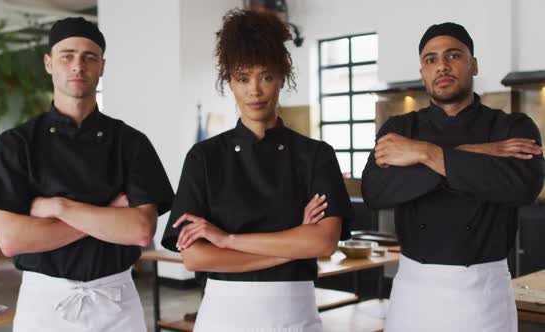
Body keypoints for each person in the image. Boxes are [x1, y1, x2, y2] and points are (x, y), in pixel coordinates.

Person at [0, 17, 174, 332]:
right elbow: (12, 239)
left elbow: (139, 230)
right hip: (45, 306)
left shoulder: (130, 142)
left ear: (102, 66)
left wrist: (58, 207)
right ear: (49, 63)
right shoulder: (16, 144)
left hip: (116, 303)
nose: (77, 65)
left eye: (89, 57)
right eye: (67, 56)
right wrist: (108, 215)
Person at [161, 9, 353, 332]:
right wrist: (290, 247)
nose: (255, 90)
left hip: (294, 314)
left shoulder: (315, 155)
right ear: (228, 82)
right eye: (242, 78)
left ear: (282, 76)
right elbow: (195, 258)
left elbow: (322, 243)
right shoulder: (203, 158)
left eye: (266, 76)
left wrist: (226, 239)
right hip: (225, 316)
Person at [362, 22, 544, 332]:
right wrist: (479, 156)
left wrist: (422, 154)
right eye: (430, 59)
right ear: (422, 71)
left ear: (473, 65)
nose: (442, 66)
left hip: (484, 293)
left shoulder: (512, 126)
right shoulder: (398, 128)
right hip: (414, 293)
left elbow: (521, 187)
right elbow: (375, 192)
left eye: (453, 56)